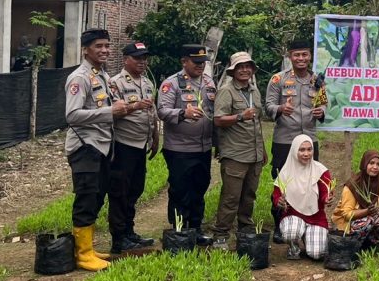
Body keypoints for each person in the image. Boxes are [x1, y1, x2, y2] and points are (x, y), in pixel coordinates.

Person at [65, 29, 127, 271]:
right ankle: (83, 254)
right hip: (85, 146)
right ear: (86, 49)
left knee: (97, 196)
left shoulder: (100, 75)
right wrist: (109, 112)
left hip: (101, 147)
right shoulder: (79, 78)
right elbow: (72, 115)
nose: (104, 50)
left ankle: (88, 247)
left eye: (107, 46)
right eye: (98, 46)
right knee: (87, 197)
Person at [266, 39, 327, 241]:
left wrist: (321, 112)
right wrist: (281, 109)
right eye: (296, 55)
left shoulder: (317, 80)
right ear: (290, 56)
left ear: (310, 56)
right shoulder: (278, 79)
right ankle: (279, 224)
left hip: (309, 139)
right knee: (282, 183)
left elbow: (324, 104)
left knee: (310, 182)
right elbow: (268, 107)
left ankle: (308, 221)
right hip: (285, 140)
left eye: (304, 54)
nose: (301, 59)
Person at [157, 44, 216, 245]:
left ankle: (196, 228)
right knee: (181, 190)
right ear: (184, 61)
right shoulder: (171, 84)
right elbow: (162, 111)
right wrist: (182, 113)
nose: (200, 66)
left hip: (203, 147)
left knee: (200, 187)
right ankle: (180, 230)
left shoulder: (209, 83)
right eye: (196, 62)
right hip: (179, 148)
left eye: (203, 62)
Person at [106, 41, 159, 254]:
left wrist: (155, 136)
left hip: (141, 144)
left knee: (136, 189)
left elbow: (152, 112)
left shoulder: (146, 83)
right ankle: (118, 238)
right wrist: (134, 106)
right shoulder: (115, 83)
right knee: (120, 191)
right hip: (123, 144)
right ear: (125, 59)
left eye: (144, 58)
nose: (142, 62)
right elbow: (112, 111)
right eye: (137, 58)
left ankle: (130, 232)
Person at [212, 52, 267, 246]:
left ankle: (245, 230)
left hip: (254, 154)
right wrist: (240, 117)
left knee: (249, 195)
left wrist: (263, 150)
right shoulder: (227, 91)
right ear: (233, 70)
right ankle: (221, 234)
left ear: (252, 69)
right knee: (231, 197)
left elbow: (257, 121)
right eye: (240, 67)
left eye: (248, 66)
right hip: (235, 154)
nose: (244, 70)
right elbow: (218, 119)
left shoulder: (254, 90)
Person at [271, 135, 332, 260]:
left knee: (317, 253)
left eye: (309, 149)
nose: (306, 154)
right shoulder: (286, 171)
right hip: (292, 216)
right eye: (302, 150)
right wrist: (279, 201)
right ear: (294, 151)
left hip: (316, 218)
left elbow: (325, 193)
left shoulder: (321, 171)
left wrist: (326, 198)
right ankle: (294, 248)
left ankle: (308, 236)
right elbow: (276, 194)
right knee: (291, 232)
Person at [332, 149, 379, 250]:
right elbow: (347, 215)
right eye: (371, 163)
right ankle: (355, 244)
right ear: (364, 164)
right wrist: (367, 211)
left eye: (378, 164)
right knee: (368, 221)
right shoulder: (353, 185)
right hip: (350, 222)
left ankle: (371, 244)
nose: (375, 167)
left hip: (370, 216)